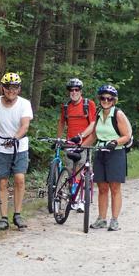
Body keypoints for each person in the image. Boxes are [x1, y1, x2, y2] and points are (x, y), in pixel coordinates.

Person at [0, 72, 33, 231]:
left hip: (19, 146)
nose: (12, 91)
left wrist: (15, 138)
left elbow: (25, 126)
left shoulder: (24, 104)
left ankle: (17, 214)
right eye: (8, 87)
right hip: (0, 145)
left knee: (19, 178)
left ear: (19, 89)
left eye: (15, 87)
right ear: (2, 88)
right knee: (2, 182)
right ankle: (3, 217)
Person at [90, 84, 132, 231]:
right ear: (99, 99)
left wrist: (115, 142)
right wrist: (79, 147)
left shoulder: (118, 114)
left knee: (114, 187)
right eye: (103, 98)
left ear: (114, 100)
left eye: (109, 98)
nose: (106, 101)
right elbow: (94, 134)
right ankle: (101, 219)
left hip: (115, 153)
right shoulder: (99, 114)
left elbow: (127, 136)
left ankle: (114, 220)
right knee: (102, 187)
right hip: (100, 152)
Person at [56, 78, 96, 212]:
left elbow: (93, 124)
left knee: (81, 168)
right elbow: (62, 122)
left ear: (81, 91)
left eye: (76, 90)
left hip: (84, 142)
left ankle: (81, 200)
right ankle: (74, 195)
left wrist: (82, 136)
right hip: (70, 142)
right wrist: (59, 138)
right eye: (71, 90)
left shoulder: (88, 104)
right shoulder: (65, 107)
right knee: (71, 170)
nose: (74, 92)